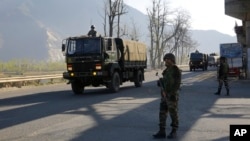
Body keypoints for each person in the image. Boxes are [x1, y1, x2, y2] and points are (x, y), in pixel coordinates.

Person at [153, 53, 182, 139]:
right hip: (164, 96)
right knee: (162, 113)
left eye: (167, 59)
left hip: (172, 96)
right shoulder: (166, 71)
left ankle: (174, 131)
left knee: (173, 114)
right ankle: (162, 131)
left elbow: (177, 84)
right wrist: (160, 82)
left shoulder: (176, 70)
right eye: (165, 59)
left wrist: (170, 93)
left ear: (171, 60)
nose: (165, 61)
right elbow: (166, 81)